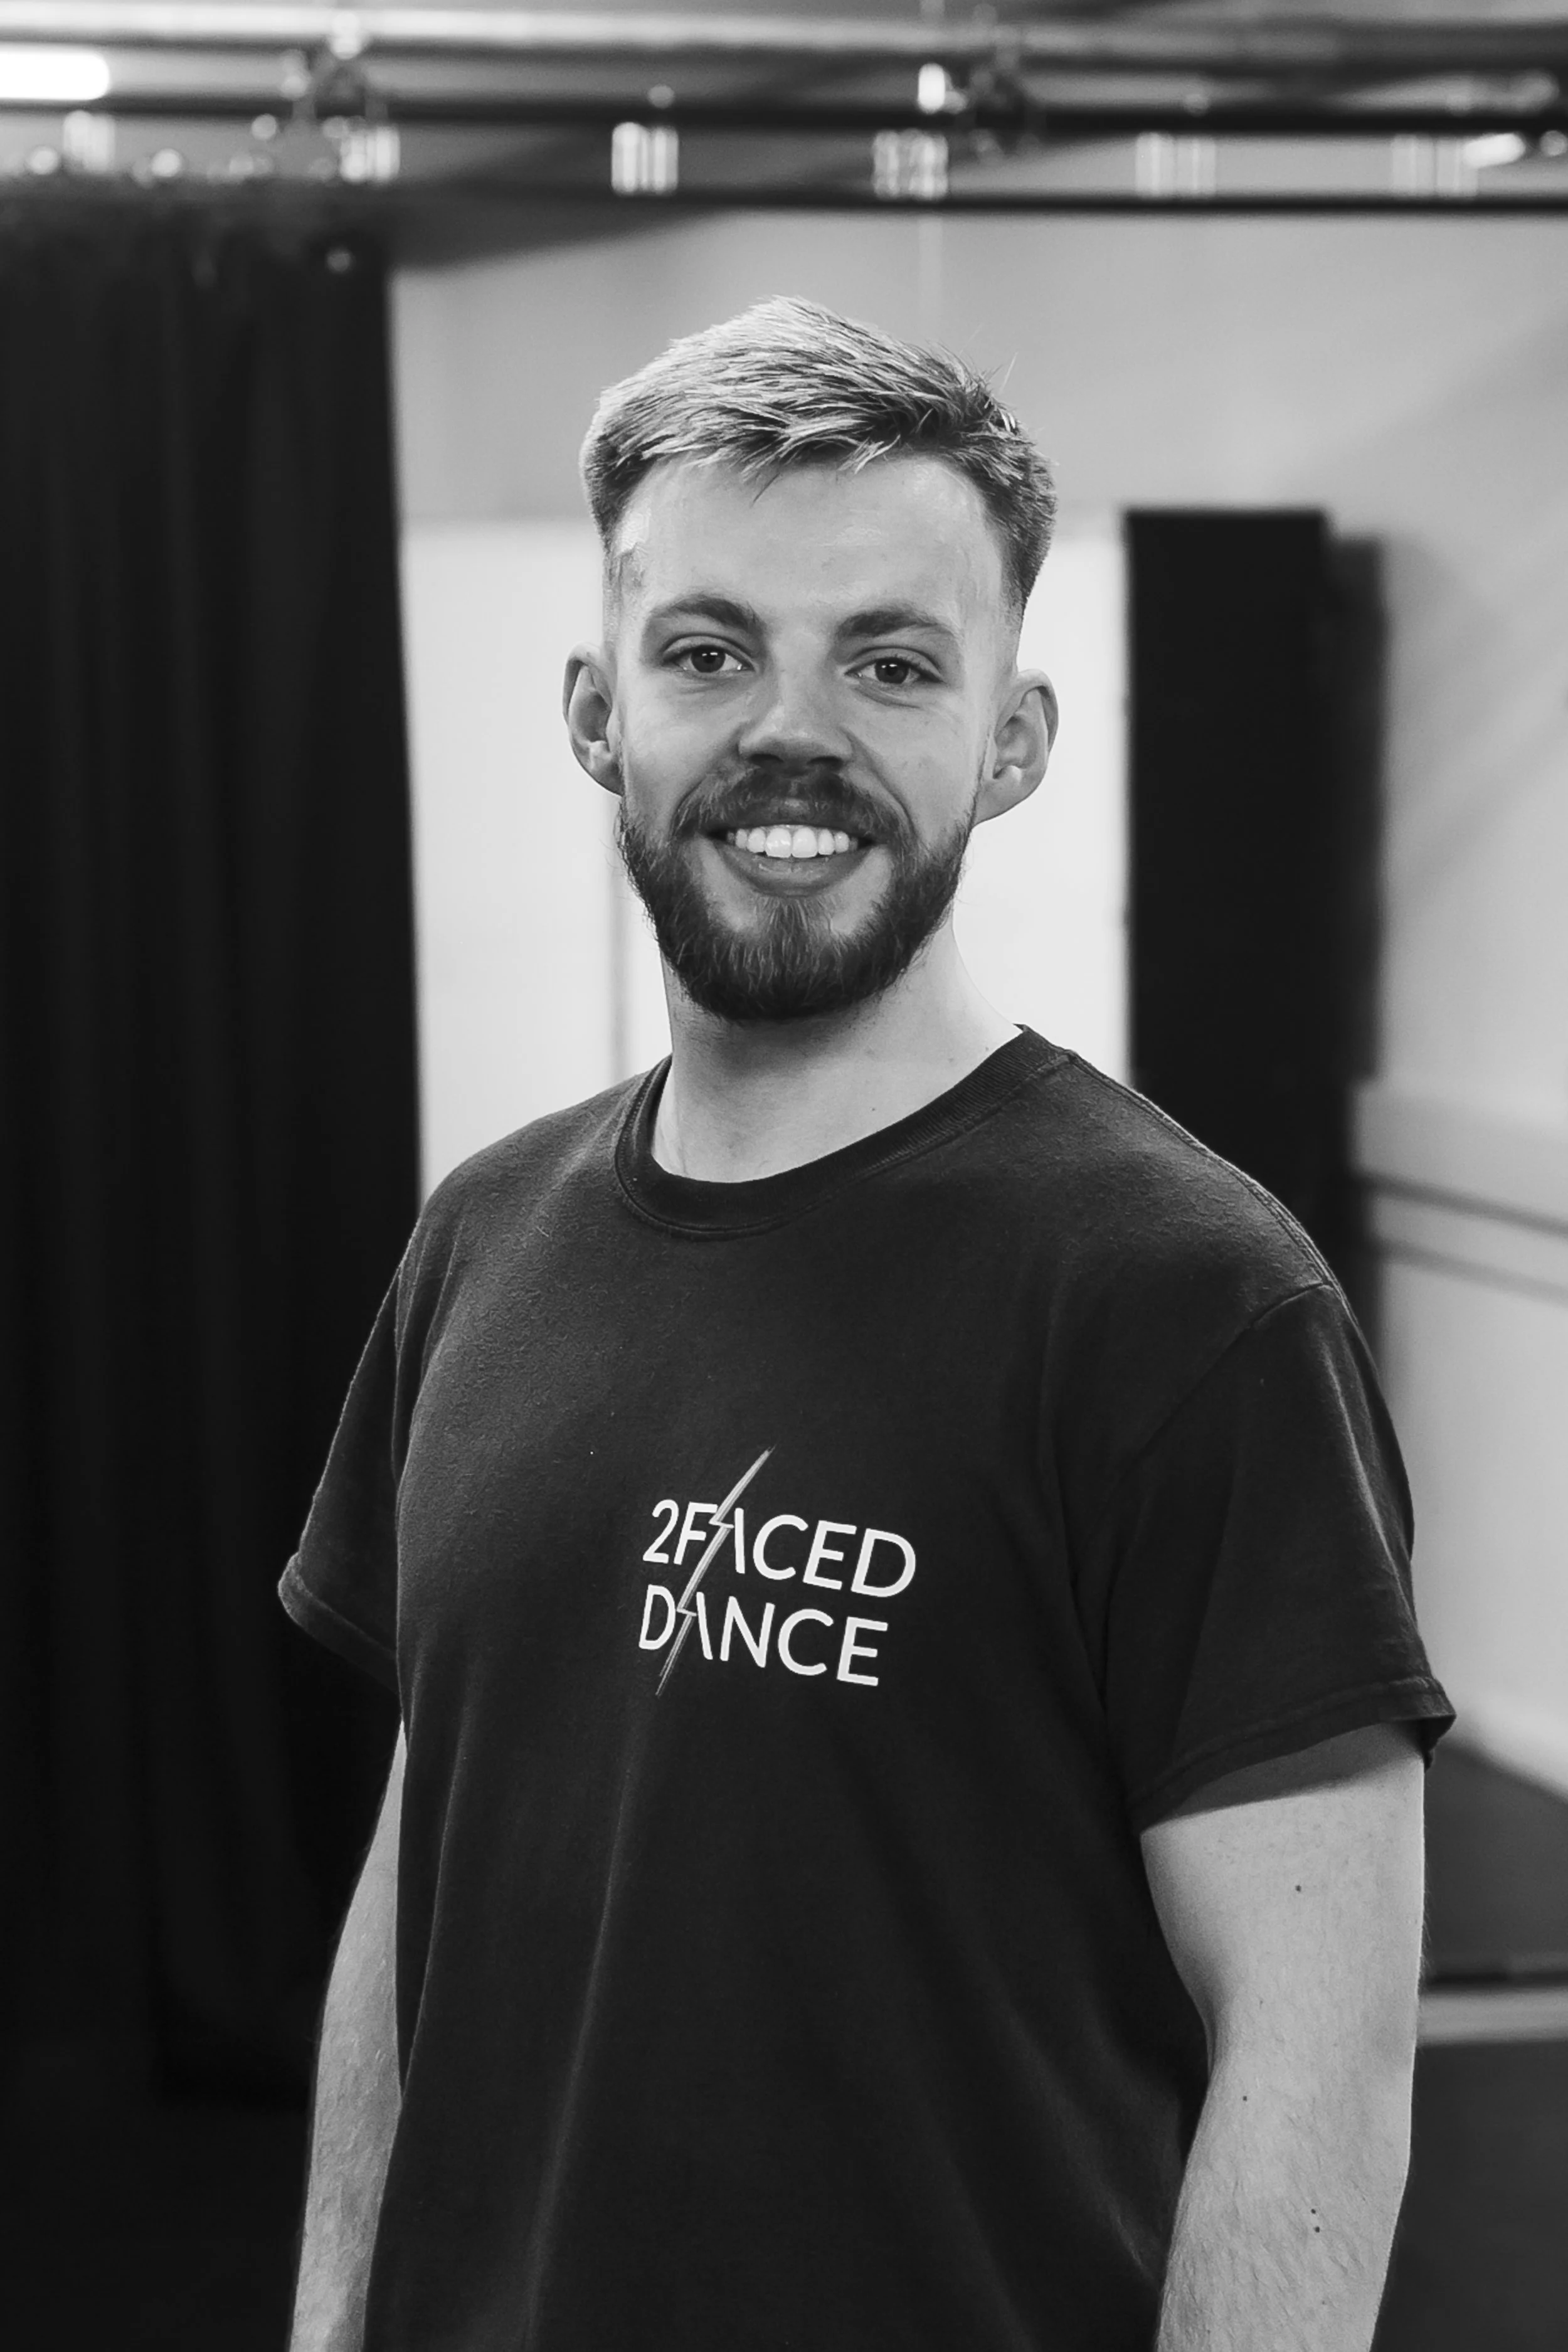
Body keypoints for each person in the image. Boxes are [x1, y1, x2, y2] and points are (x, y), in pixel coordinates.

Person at [281, 297, 1452, 2352]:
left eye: (890, 663)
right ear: (597, 712)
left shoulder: (1189, 1301)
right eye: (709, 651)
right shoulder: (480, 1240)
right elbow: (415, 1895)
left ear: (1011, 738)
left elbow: (1316, 2071)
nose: (789, 733)